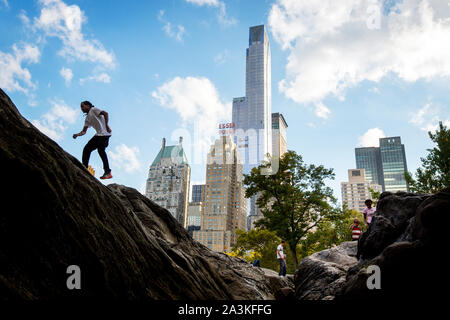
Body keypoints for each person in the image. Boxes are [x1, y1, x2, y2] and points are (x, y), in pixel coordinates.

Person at [73, 100, 112, 179]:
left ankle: (108, 172)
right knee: (87, 148)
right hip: (98, 135)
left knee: (101, 150)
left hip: (105, 134)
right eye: (81, 107)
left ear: (88, 105)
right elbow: (84, 131)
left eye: (82, 106)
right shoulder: (87, 118)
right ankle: (84, 167)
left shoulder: (93, 110)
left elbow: (105, 113)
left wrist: (107, 125)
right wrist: (78, 134)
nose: (82, 108)